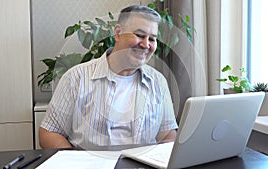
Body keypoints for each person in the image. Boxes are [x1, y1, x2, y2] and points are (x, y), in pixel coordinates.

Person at [39, 5, 178, 149]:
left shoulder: (158, 81)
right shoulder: (76, 78)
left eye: (152, 39)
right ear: (118, 33)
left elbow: (167, 134)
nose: (145, 44)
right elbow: (50, 133)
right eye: (140, 35)